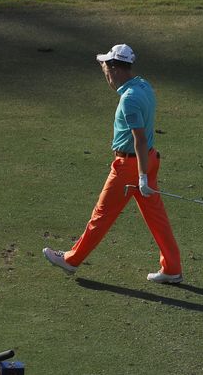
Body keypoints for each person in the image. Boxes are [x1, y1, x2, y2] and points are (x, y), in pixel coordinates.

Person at [43, 44, 183, 284]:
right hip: (148, 160)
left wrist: (139, 176)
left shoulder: (129, 99)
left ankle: (71, 260)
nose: (105, 74)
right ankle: (171, 268)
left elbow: (138, 139)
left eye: (107, 68)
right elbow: (141, 138)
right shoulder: (143, 85)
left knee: (102, 214)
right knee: (156, 218)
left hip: (130, 166)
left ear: (116, 69)